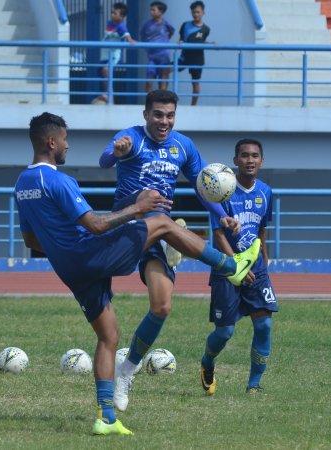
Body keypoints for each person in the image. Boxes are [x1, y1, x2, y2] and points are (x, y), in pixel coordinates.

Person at [14, 112, 259, 436]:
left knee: (109, 336)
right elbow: (96, 225)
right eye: (64, 140)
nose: (67, 146)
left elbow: (31, 240)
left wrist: (66, 251)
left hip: (69, 268)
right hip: (90, 254)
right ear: (51, 142)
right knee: (160, 222)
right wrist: (138, 208)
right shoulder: (57, 180)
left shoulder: (22, 184)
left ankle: (106, 418)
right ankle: (231, 266)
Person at [98, 89, 243, 412]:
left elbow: (204, 187)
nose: (164, 121)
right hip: (129, 222)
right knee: (159, 213)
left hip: (157, 229)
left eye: (170, 115)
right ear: (146, 114)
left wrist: (224, 215)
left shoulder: (183, 146)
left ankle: (127, 371)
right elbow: (105, 158)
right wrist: (116, 152)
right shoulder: (132, 138)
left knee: (162, 307)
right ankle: (224, 263)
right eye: (158, 114)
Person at [200, 138, 278, 396]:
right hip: (226, 267)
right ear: (235, 161)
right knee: (225, 332)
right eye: (244, 155)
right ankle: (207, 362)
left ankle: (254, 385)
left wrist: (265, 262)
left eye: (255, 155)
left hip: (257, 269)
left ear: (262, 161)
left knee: (265, 325)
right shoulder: (220, 189)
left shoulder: (266, 192)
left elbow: (262, 230)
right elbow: (219, 234)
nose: (250, 160)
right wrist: (236, 266)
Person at [93, 2, 136, 105]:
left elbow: (127, 35)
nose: (112, 14)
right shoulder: (109, 23)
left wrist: (130, 40)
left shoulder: (121, 26)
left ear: (121, 16)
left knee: (106, 70)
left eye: (115, 13)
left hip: (113, 55)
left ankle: (110, 97)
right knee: (102, 74)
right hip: (104, 54)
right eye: (112, 12)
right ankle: (107, 94)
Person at [177, 1, 211, 106]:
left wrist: (210, 43)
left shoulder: (206, 29)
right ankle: (161, 100)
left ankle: (193, 106)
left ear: (203, 13)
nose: (195, 14)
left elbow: (200, 41)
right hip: (184, 57)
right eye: (193, 12)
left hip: (197, 59)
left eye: (197, 12)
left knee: (195, 83)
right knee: (166, 70)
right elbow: (181, 39)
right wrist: (180, 41)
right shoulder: (185, 25)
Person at [140, 1, 175, 93]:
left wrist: (165, 41)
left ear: (161, 12)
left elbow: (172, 31)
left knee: (163, 79)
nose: (151, 12)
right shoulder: (147, 24)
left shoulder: (166, 23)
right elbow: (142, 36)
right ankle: (149, 101)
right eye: (150, 10)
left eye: (153, 10)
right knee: (149, 78)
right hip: (152, 57)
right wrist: (148, 47)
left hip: (164, 56)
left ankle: (161, 100)